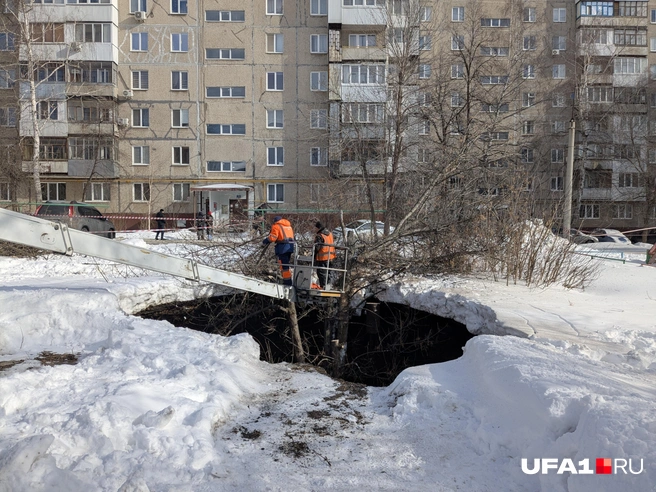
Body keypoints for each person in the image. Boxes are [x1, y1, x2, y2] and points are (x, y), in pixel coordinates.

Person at [263, 215, 295, 286]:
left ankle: (287, 282)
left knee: (284, 266)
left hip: (282, 248)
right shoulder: (288, 226)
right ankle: (287, 280)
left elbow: (273, 238)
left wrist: (265, 241)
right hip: (290, 247)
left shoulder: (276, 226)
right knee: (286, 264)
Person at [313, 222, 336, 289]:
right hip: (331, 257)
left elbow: (317, 248)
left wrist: (313, 257)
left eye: (315, 228)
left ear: (318, 228)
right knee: (329, 274)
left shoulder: (320, 236)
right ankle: (329, 287)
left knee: (322, 274)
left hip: (323, 258)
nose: (315, 230)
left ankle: (323, 287)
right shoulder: (330, 234)